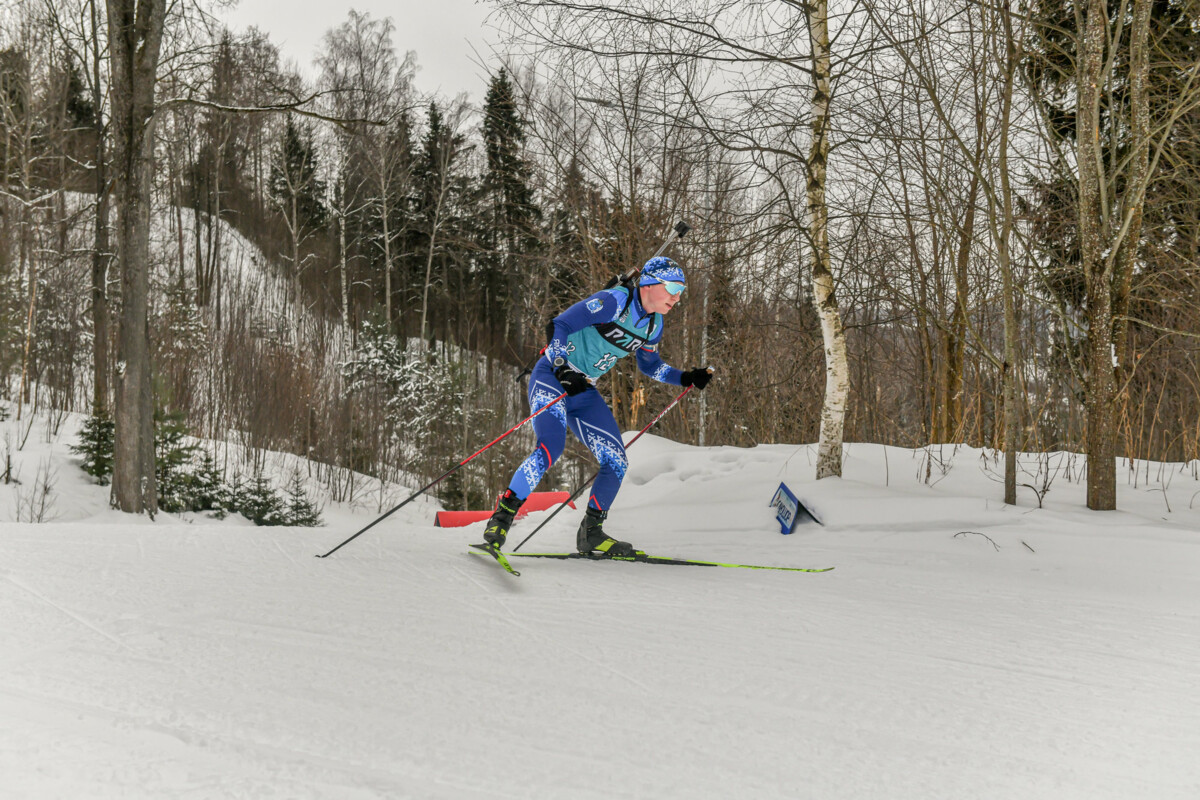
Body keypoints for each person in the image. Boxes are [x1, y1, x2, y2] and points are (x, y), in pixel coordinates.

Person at [481, 256, 713, 557]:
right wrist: (563, 366)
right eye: (671, 287)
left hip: (583, 389)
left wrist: (685, 377)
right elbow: (559, 324)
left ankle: (591, 532)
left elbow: (651, 366)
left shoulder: (654, 324)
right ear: (649, 283)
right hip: (552, 375)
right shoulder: (614, 301)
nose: (676, 296)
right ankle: (502, 517)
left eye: (681, 290)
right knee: (551, 447)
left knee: (616, 460)